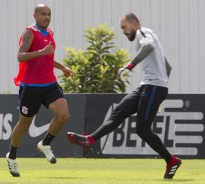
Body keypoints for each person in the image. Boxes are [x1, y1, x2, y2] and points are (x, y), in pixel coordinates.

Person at [67, 13, 181, 179]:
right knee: (117, 114)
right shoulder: (147, 36)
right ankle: (89, 139)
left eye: (124, 27)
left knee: (142, 129)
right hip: (148, 87)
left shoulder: (143, 33)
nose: (123, 31)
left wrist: (130, 66)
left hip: (154, 87)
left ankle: (171, 161)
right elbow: (167, 66)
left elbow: (148, 46)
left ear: (134, 23)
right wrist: (160, 89)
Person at [6, 4, 73, 177]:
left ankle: (45, 143)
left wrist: (62, 67)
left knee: (63, 115)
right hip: (31, 87)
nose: (47, 17)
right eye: (43, 14)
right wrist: (40, 51)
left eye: (49, 14)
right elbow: (20, 56)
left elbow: (47, 58)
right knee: (24, 125)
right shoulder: (29, 32)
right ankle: (12, 156)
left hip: (49, 84)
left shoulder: (50, 33)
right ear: (34, 15)